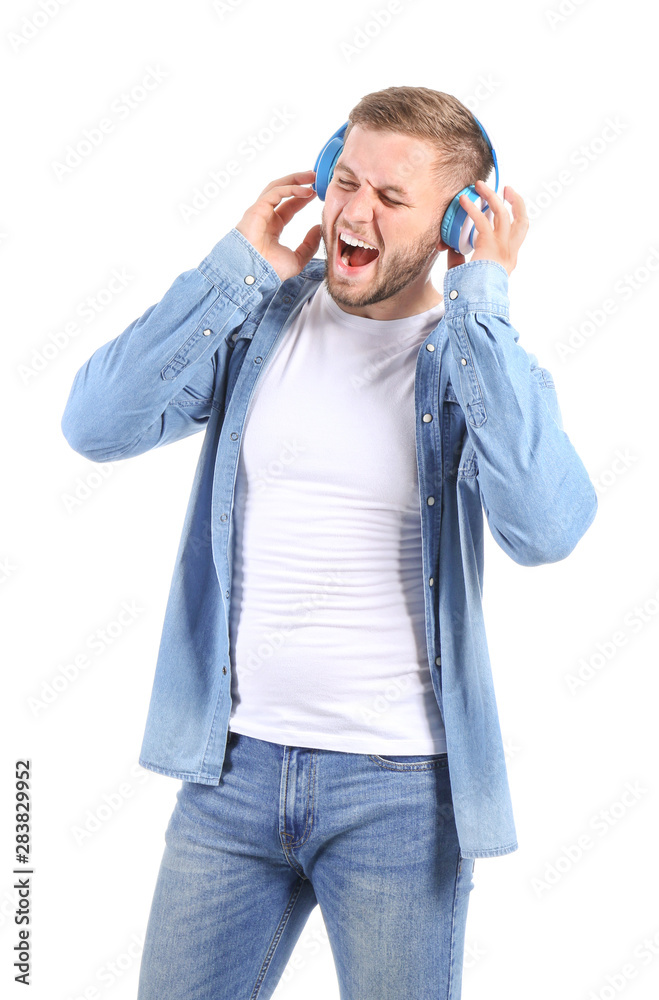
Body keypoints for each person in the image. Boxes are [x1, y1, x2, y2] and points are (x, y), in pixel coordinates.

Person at [60, 86, 598, 999]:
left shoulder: (467, 358)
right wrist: (235, 270)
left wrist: (485, 301)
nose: (354, 210)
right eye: (344, 179)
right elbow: (95, 424)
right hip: (227, 771)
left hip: (398, 795)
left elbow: (546, 527)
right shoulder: (260, 326)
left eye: (392, 199)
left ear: (456, 224)